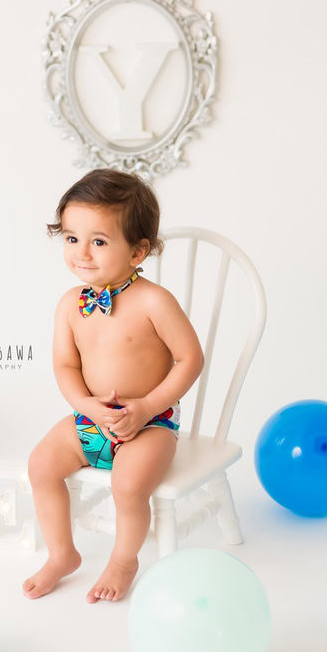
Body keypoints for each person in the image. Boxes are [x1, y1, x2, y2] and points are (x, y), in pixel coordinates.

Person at [23, 168, 204, 603]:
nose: (81, 253)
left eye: (98, 242)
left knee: (128, 485)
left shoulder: (153, 302)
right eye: (71, 239)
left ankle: (124, 559)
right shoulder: (71, 305)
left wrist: (146, 407)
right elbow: (65, 366)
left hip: (150, 424)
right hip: (92, 419)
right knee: (41, 466)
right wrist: (86, 404)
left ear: (138, 251)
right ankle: (62, 553)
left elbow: (190, 358)